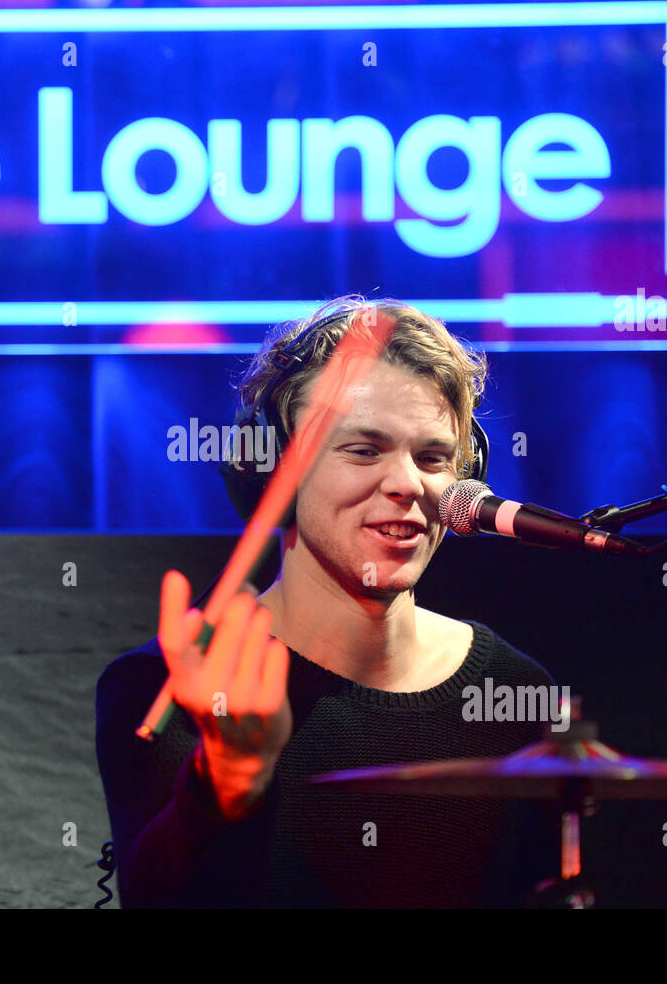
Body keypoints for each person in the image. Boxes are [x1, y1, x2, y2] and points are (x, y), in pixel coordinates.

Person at [95, 295, 557, 907]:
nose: (407, 484)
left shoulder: (512, 689)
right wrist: (222, 786)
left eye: (432, 458)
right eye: (363, 450)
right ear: (271, 471)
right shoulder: (164, 687)